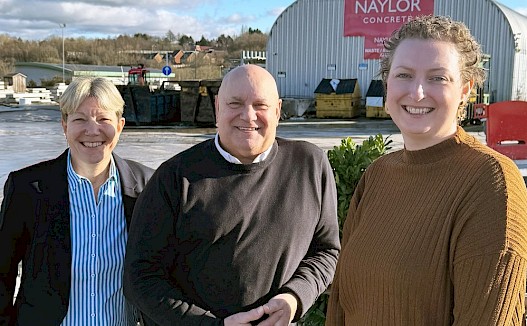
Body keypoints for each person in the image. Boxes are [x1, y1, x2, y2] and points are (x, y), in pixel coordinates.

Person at [326, 15, 527, 325]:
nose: (417, 92)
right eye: (404, 75)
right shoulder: (377, 176)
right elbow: (341, 300)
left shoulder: (491, 181)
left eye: (438, 78)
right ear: (387, 81)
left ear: (465, 90)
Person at [124, 64, 340, 326]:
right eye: (235, 103)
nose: (248, 116)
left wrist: (295, 297)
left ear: (278, 110)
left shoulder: (310, 165)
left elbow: (326, 250)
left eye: (260, 105)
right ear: (217, 108)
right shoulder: (174, 177)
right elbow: (140, 279)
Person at [0, 77, 154, 325]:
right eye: (79, 119)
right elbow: (2, 271)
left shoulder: (148, 187)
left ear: (120, 125)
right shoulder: (28, 188)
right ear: (64, 125)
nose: (92, 130)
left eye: (104, 119)